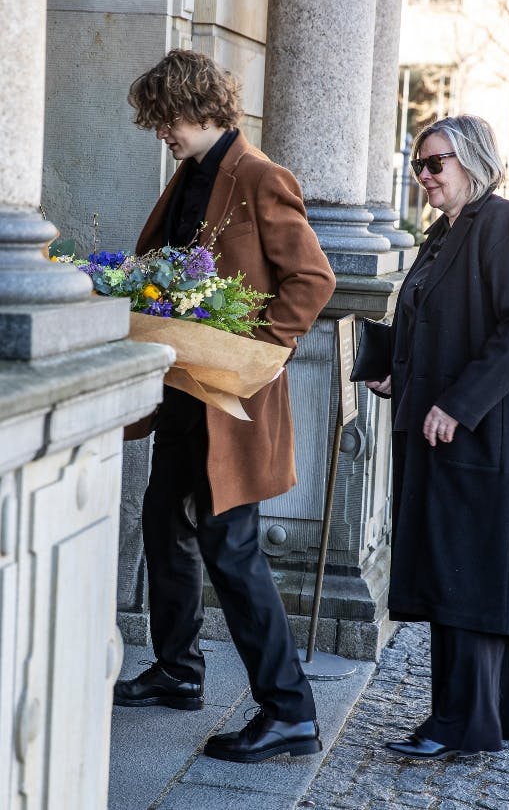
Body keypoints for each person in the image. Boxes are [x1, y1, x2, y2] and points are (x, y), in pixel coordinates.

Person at [113, 49, 336, 763]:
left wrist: (257, 356)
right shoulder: (190, 175)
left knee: (232, 551)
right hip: (183, 392)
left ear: (195, 106)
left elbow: (312, 278)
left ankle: (289, 710)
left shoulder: (259, 176)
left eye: (163, 120)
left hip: (230, 405)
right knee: (162, 524)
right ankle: (179, 671)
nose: (160, 134)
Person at [366, 115, 509, 759]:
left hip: (487, 435)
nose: (423, 175)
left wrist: (457, 404)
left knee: (471, 576)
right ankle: (486, 719)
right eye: (418, 165)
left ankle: (459, 725)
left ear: (472, 162)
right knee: (459, 571)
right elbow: (437, 324)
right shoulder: (445, 234)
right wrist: (395, 371)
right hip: (453, 431)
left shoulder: (503, 227)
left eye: (435, 163)